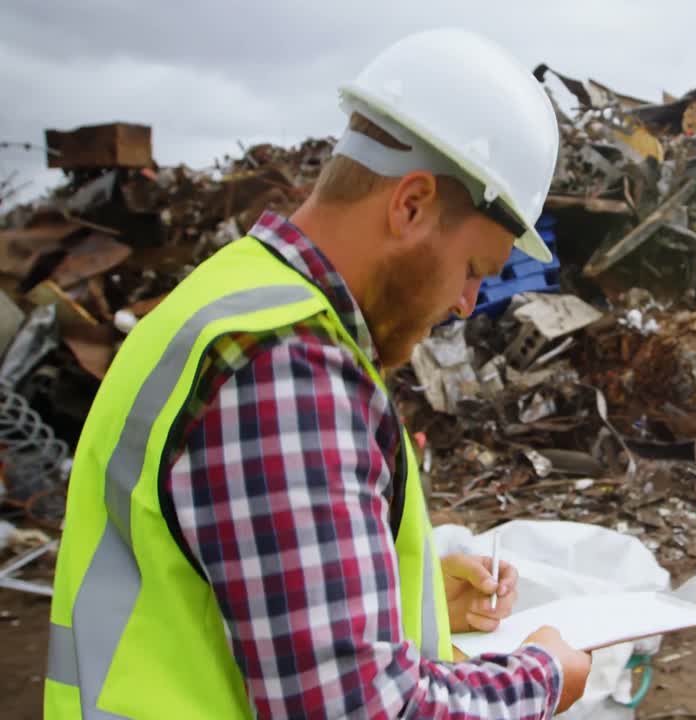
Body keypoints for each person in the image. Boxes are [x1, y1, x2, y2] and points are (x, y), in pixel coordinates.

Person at [44, 28, 591, 719]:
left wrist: (404, 601)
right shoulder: (284, 365)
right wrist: (544, 678)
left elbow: (217, 585)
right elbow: (360, 710)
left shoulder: (230, 297)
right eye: (473, 268)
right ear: (411, 205)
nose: (466, 302)